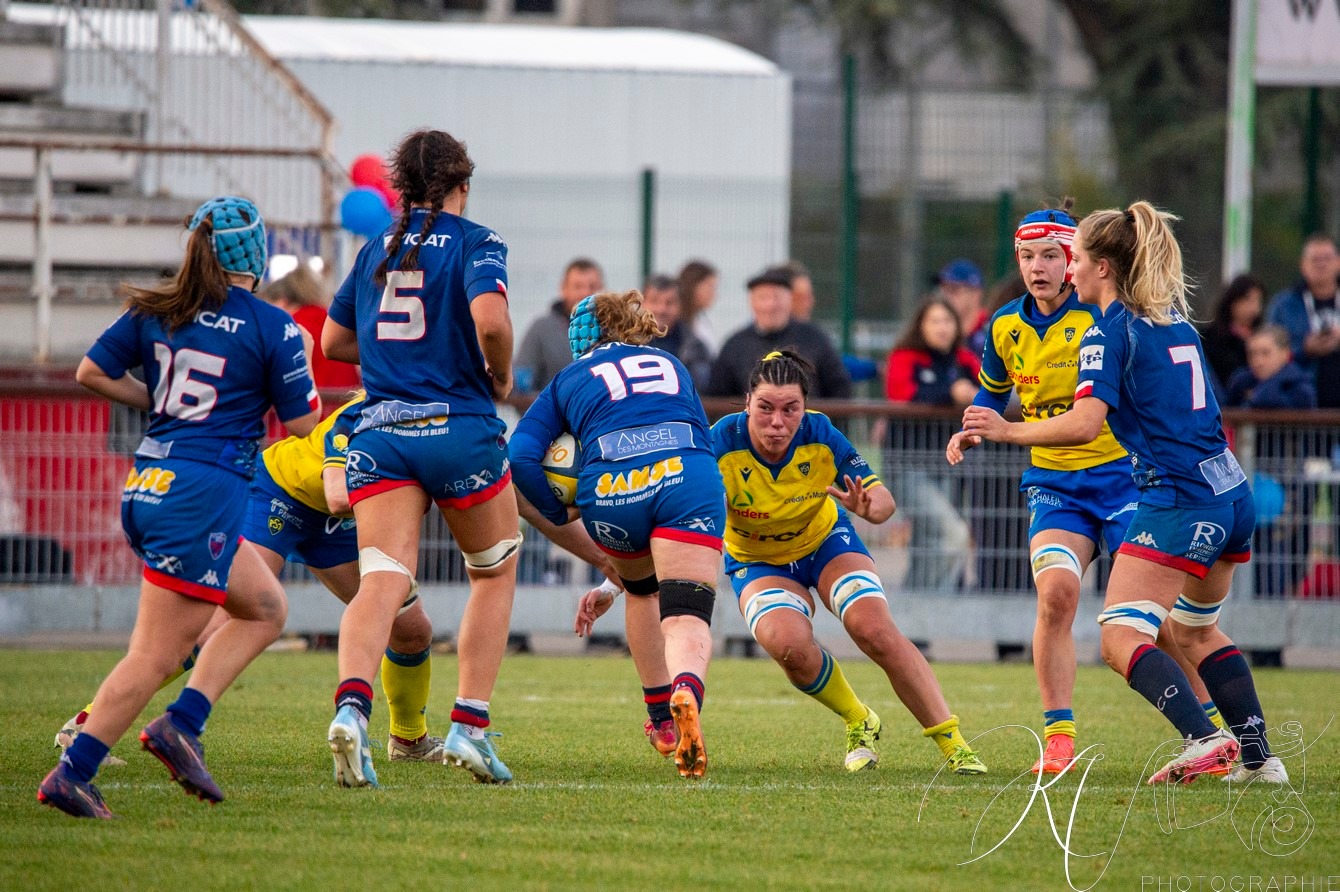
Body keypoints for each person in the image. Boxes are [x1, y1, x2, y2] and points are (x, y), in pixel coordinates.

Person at [963, 201, 1286, 785]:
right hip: (1228, 491)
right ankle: (1262, 760)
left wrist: (1007, 429)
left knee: (1118, 637)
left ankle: (1203, 739)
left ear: (1101, 267)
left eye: (1075, 258)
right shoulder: (1172, 318)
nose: (1068, 269)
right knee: (1194, 629)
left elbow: (1086, 423)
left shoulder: (1105, 332)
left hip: (1178, 498)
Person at [38, 196, 322, 818]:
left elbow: (90, 371)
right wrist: (297, 348)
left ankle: (184, 724)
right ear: (257, 253)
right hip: (202, 493)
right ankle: (75, 771)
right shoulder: (269, 324)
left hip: (150, 483)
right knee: (156, 654)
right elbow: (304, 423)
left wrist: (161, 404)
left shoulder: (157, 307)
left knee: (266, 607)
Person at [322, 128, 521, 786]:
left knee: (382, 579)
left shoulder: (373, 248)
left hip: (380, 434)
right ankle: (470, 727)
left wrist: (393, 357)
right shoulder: (476, 241)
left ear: (400, 187)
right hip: (457, 425)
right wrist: (499, 371)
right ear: (462, 186)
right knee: (492, 572)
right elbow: (491, 322)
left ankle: (352, 712)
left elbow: (335, 339)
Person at [716, 350, 987, 774]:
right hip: (757, 560)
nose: (777, 422)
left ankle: (955, 746)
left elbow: (884, 503)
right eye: (765, 408)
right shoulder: (720, 443)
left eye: (791, 410)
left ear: (805, 408)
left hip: (825, 542)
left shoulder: (820, 433)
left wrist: (865, 506)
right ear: (748, 401)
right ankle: (859, 719)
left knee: (873, 629)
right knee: (789, 647)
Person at [510, 289, 726, 779]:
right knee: (686, 615)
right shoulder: (671, 364)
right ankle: (686, 687)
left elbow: (521, 457)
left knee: (642, 592)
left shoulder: (569, 378)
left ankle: (660, 720)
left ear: (580, 338)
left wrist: (558, 513)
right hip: (686, 478)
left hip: (611, 492)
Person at [705, 266, 851, 399]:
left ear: (789, 300)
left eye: (777, 297)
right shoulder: (735, 345)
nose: (770, 305)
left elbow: (839, 387)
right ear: (752, 302)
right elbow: (718, 394)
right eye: (763, 298)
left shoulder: (814, 339)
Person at [1266, 233, 1340, 408]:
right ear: (1303, 265)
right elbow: (1268, 351)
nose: (1321, 264)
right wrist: (1304, 349)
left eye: (1327, 258)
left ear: (1338, 262)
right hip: (1301, 406)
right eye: (1315, 259)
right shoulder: (1283, 305)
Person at [514, 257, 605, 393]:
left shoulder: (615, 330)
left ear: (602, 289)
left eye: (592, 287)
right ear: (563, 288)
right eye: (578, 286)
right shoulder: (541, 329)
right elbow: (521, 386)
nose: (585, 293)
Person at [263, 265, 361, 390]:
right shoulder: (330, 320)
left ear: (283, 301)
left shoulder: (289, 328)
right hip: (347, 402)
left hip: (314, 403)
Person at [884, 296, 980, 407]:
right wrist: (951, 394)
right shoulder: (903, 357)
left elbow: (990, 390)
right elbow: (900, 396)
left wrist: (974, 395)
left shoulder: (966, 359)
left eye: (947, 321)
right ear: (921, 326)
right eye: (935, 322)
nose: (942, 329)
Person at [1199, 273, 1264, 396]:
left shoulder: (1262, 335)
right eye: (1247, 300)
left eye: (1258, 301)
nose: (1254, 308)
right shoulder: (1211, 337)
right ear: (1232, 301)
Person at [645, 272, 712, 391]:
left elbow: (700, 389)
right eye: (654, 301)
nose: (661, 309)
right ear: (642, 303)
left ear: (680, 306)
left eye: (669, 303)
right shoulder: (624, 342)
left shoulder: (695, 348)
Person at [1224, 325, 1317, 410]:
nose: (1258, 361)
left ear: (1285, 353)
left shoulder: (1300, 386)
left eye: (1266, 353)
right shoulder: (1242, 382)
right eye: (1252, 354)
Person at [938, 258, 989, 358]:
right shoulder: (937, 333)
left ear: (976, 293)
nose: (946, 296)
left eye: (954, 290)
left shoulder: (994, 330)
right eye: (943, 290)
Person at [678, 259, 720, 358]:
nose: (714, 294)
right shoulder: (676, 325)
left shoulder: (703, 321)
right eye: (710, 287)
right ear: (693, 286)